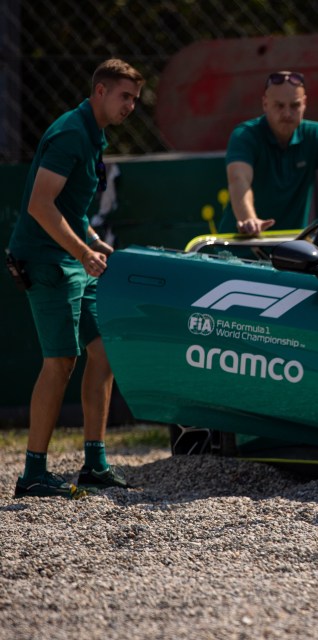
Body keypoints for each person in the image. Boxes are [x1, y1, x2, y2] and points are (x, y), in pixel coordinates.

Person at [6, 59, 143, 498]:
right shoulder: (70, 133)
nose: (131, 107)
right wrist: (84, 253)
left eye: (135, 99)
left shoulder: (93, 132)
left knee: (103, 353)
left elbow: (73, 209)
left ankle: (95, 464)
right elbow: (40, 206)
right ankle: (33, 474)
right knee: (60, 361)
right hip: (46, 261)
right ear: (99, 91)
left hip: (71, 257)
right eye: (125, 96)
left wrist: (97, 245)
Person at [219, 70, 318, 235]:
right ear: (265, 104)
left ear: (304, 103)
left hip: (290, 250)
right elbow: (238, 180)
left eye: (295, 105)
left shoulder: (316, 134)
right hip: (240, 250)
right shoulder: (244, 135)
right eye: (279, 105)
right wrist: (250, 220)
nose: (287, 113)